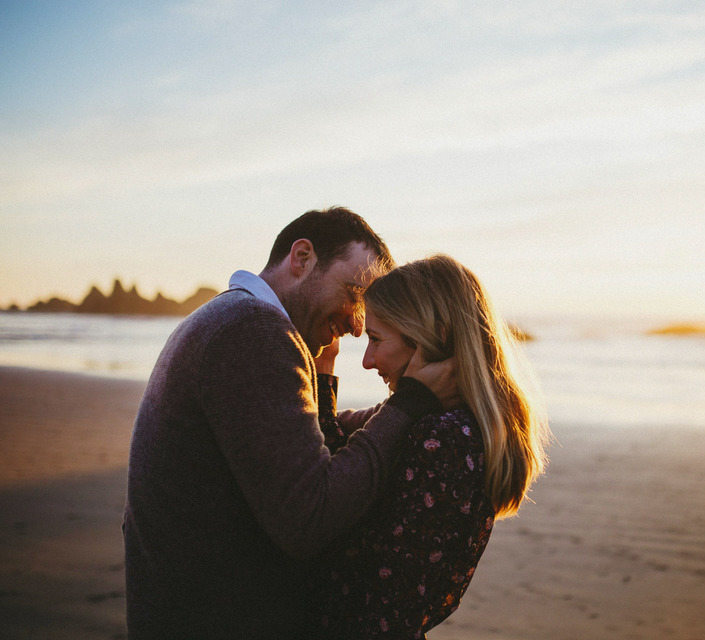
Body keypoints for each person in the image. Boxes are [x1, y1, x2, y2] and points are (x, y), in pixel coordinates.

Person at [123, 208, 458, 639]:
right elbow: (309, 518)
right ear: (302, 258)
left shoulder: (228, 318)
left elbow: (302, 439)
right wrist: (407, 407)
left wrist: (408, 404)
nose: (358, 325)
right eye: (356, 293)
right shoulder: (254, 330)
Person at [309, 254, 551, 638]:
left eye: (375, 339)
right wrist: (325, 371)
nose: (368, 361)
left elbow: (337, 528)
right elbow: (343, 441)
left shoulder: (443, 438)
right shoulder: (439, 418)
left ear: (431, 336)